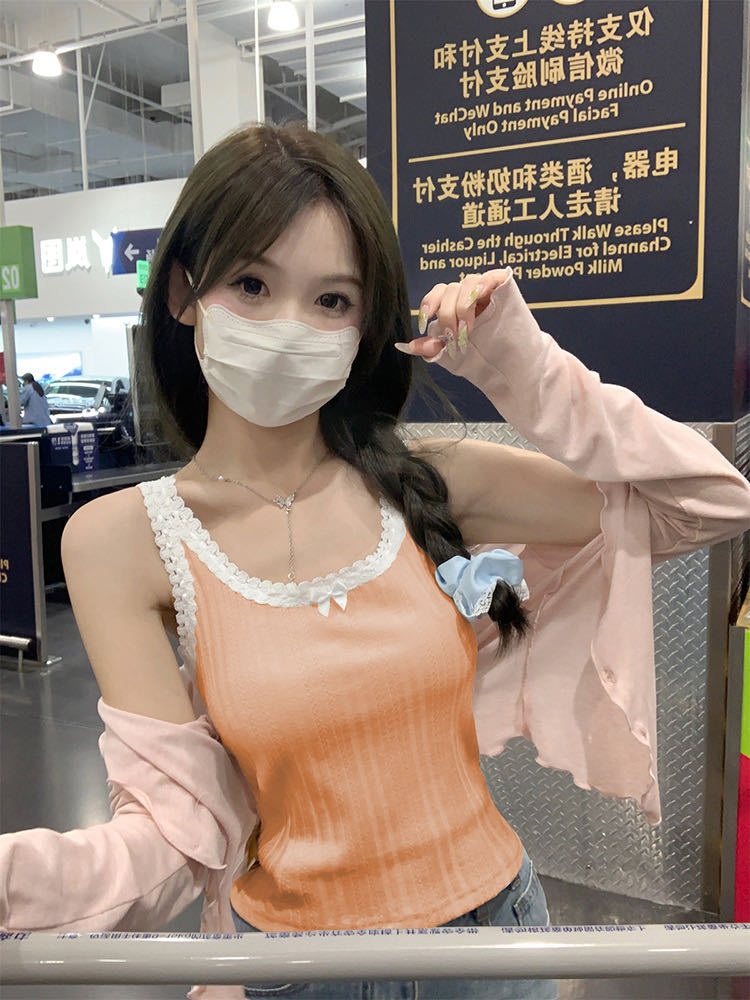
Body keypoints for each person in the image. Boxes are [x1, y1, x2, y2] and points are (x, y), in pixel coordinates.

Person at [1, 123, 750, 1000]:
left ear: (364, 325)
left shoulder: (433, 481)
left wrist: (524, 367)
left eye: (332, 300)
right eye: (251, 284)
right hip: (298, 971)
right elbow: (174, 833)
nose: (290, 326)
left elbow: (710, 502)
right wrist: (25, 881)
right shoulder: (122, 539)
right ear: (183, 292)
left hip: (489, 948)